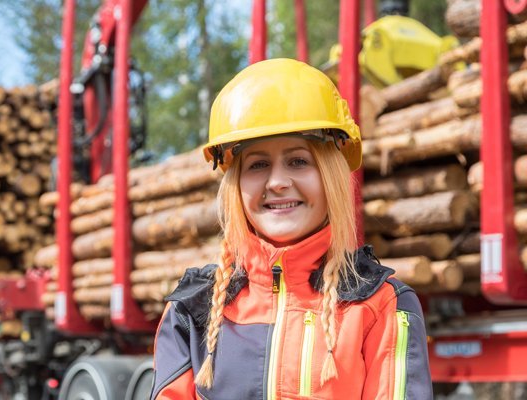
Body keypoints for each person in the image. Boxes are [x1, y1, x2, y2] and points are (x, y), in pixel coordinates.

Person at [150, 58, 431, 399]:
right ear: (235, 184)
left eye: (298, 161)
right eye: (258, 165)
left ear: (331, 175)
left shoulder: (383, 305)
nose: (278, 181)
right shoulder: (191, 311)